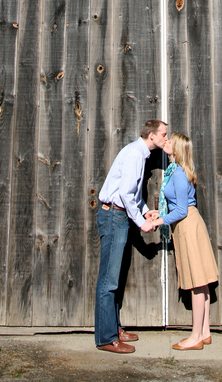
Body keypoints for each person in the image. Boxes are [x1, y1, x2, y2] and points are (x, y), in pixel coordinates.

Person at [94, 119, 168, 353]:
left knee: (115, 277)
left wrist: (145, 212)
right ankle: (106, 338)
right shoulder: (136, 154)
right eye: (164, 134)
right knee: (109, 280)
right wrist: (141, 223)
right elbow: (126, 194)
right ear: (152, 136)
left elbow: (133, 195)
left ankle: (114, 329)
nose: (166, 138)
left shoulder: (138, 153)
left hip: (119, 216)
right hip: (114, 216)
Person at [147, 132, 218, 350]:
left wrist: (159, 221)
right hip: (191, 223)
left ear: (177, 149)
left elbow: (180, 210)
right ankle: (204, 332)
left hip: (187, 225)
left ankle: (195, 337)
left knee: (196, 282)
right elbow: (178, 206)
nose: (166, 142)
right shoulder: (178, 170)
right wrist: (160, 214)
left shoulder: (178, 173)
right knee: (202, 281)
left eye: (170, 141)